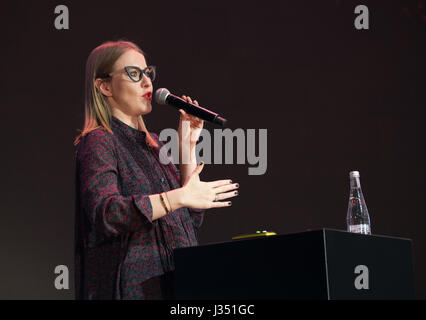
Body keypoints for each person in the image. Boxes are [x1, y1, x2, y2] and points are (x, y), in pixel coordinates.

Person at [73, 40, 239, 300]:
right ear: (104, 86)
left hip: (176, 282)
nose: (147, 83)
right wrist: (178, 198)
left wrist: (187, 146)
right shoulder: (99, 141)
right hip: (133, 288)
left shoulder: (154, 144)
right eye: (134, 74)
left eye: (147, 73)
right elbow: (107, 214)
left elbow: (188, 220)